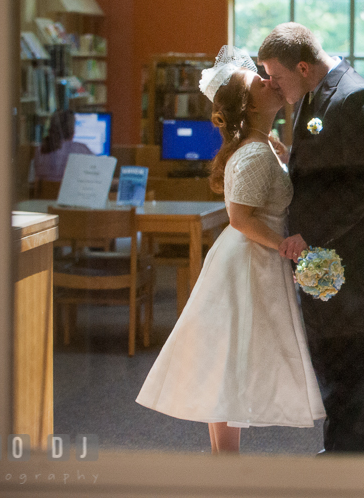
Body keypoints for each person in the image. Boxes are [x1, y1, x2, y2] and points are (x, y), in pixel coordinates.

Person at [136, 46, 324, 454]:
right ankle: (227, 463)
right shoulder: (255, 151)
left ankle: (226, 462)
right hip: (248, 258)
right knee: (230, 360)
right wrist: (285, 244)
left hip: (248, 257)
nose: (268, 79)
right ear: (248, 104)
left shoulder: (264, 145)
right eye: (258, 80)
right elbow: (239, 218)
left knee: (233, 360)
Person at [259, 23, 364, 455]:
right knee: (329, 359)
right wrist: (288, 158)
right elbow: (324, 167)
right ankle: (337, 450)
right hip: (316, 255)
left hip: (347, 256)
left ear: (302, 65)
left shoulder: (356, 97)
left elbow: (360, 189)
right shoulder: (311, 93)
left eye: (276, 77)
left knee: (350, 358)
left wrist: (306, 237)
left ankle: (350, 458)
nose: (272, 85)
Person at [32, 110, 93, 182]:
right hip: (71, 193)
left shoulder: (40, 151)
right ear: (72, 130)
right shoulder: (81, 150)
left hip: (47, 193)